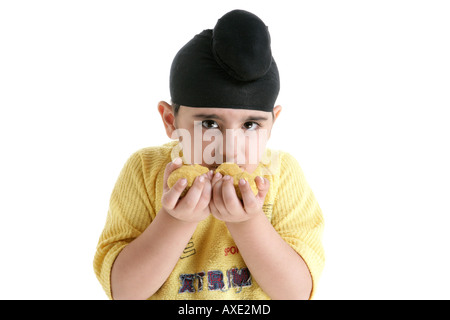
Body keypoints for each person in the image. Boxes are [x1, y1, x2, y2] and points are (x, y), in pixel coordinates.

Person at [93, 9, 325, 300]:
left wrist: (248, 223)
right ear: (170, 121)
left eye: (251, 125)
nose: (229, 149)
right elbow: (125, 292)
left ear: (272, 125)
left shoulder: (283, 174)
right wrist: (175, 221)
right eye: (209, 124)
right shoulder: (145, 169)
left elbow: (296, 293)